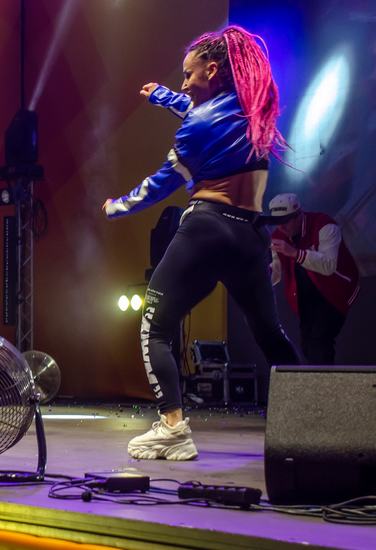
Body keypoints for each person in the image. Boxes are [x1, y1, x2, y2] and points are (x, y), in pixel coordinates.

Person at [103, 26, 301, 460]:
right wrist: (163, 97)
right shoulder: (254, 109)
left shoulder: (197, 125)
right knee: (270, 334)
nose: (184, 83)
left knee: (155, 326)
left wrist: (118, 206)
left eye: (188, 75)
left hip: (207, 229)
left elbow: (163, 183)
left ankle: (173, 429)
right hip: (250, 236)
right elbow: (198, 108)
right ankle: (311, 419)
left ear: (212, 71)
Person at [269, 193, 360, 365]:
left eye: (285, 220)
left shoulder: (324, 225)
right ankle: (320, 379)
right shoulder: (277, 236)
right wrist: (265, 272)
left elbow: (329, 265)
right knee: (306, 346)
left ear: (298, 215)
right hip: (307, 295)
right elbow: (277, 272)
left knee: (319, 342)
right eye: (276, 221)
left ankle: (323, 382)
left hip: (335, 289)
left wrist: (295, 253)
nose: (281, 226)